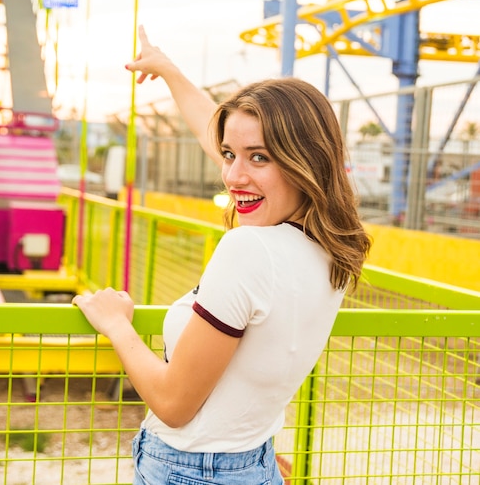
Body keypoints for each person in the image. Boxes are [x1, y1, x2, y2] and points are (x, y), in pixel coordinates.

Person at [72, 25, 372, 485]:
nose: (232, 176)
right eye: (229, 154)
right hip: (253, 461)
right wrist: (170, 72)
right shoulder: (331, 246)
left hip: (189, 471)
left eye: (258, 157)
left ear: (303, 161)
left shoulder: (250, 249)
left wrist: (116, 325)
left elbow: (173, 405)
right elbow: (231, 146)